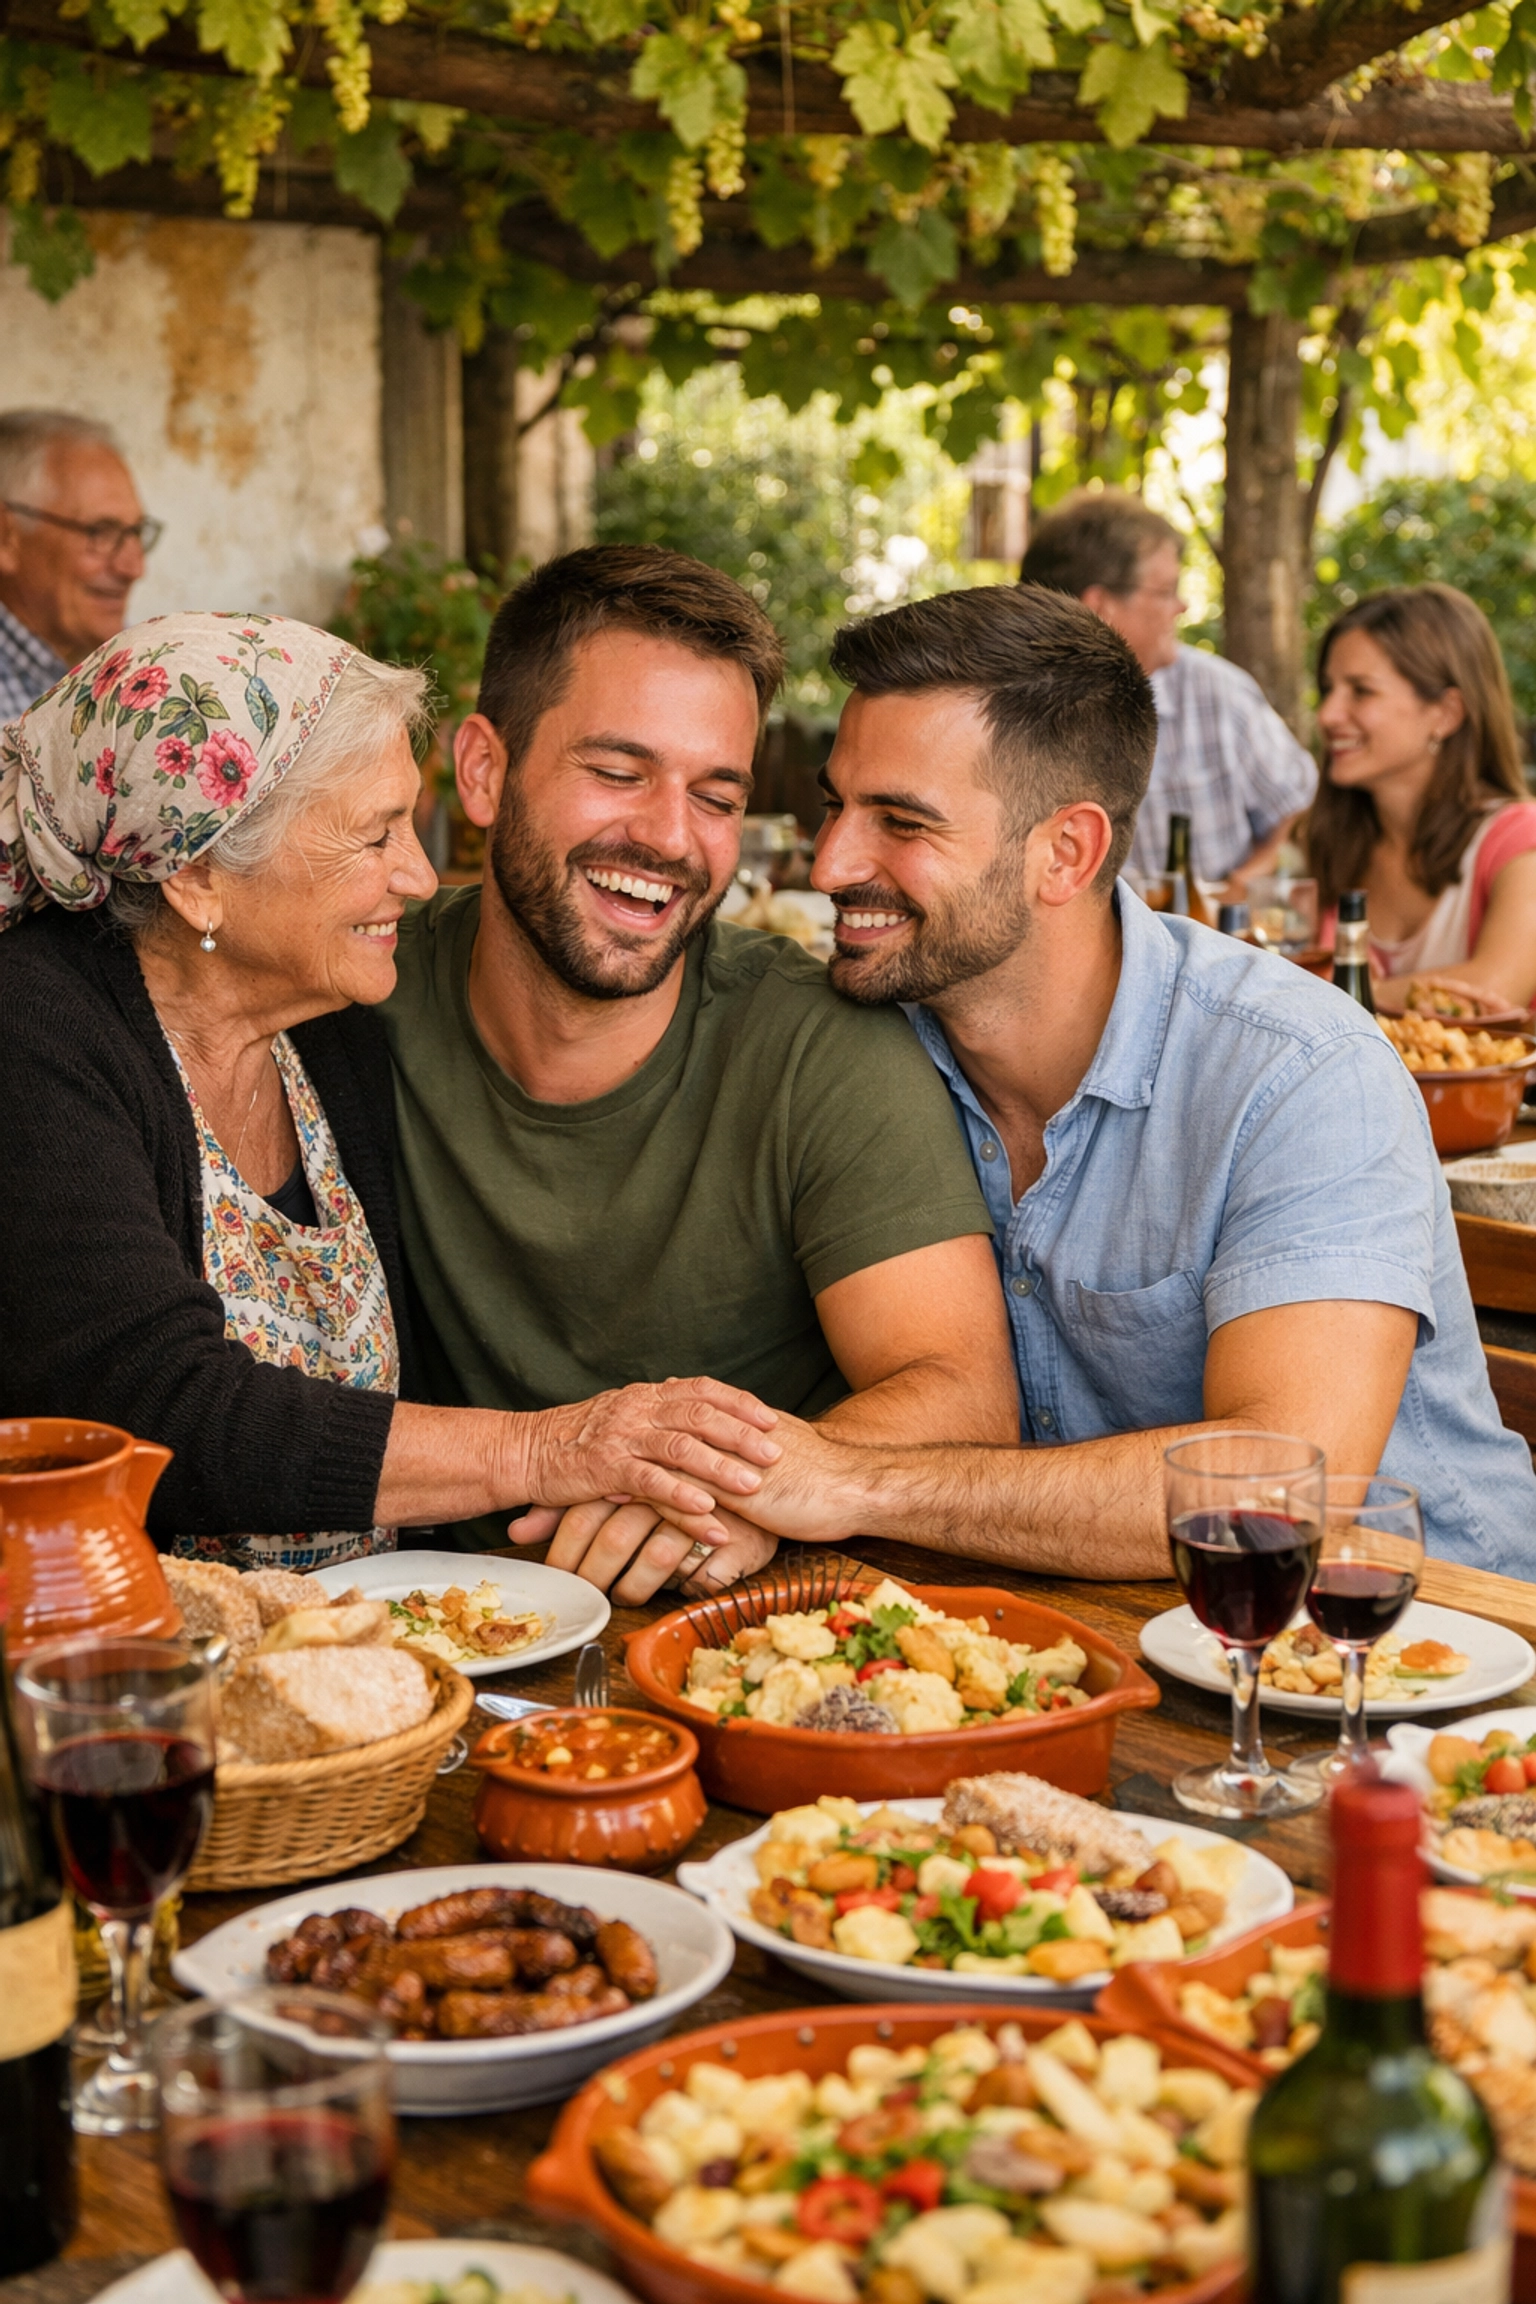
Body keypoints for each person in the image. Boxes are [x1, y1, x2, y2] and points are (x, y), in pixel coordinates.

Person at [692, 583, 1536, 1578]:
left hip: (1428, 1665)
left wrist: (847, 1481)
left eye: (902, 823)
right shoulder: (866, 1047)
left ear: (1068, 852)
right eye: (836, 805)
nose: (831, 863)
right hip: (1116, 1632)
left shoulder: (1301, 1074)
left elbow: (1278, 1492)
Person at [0, 612, 785, 1572]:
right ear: (200, 874)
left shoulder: (331, 1037)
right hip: (140, 1671)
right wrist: (544, 1450)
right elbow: (155, 1404)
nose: (418, 878)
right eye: (377, 837)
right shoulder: (36, 1031)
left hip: (375, 1659)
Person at [383, 545, 1019, 1601]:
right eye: (618, 772)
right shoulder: (361, 998)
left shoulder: (816, 1044)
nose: (670, 838)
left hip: (750, 1618)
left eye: (715, 796)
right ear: (484, 772)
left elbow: (963, 1396)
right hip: (453, 1616)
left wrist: (709, 1488)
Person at [1019, 489, 1315, 890]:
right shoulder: (1007, 716)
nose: (1182, 607)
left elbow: (1304, 816)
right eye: (1166, 590)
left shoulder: (1218, 696)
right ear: (1100, 606)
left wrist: (1233, 895)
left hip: (1208, 944)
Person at [1306, 583, 1536, 1011]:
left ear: (1445, 714)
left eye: (1361, 690)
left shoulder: (1520, 840)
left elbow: (1494, 990)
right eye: (1327, 688)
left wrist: (1330, 997)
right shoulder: (1338, 839)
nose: (1327, 715)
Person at [0, 410, 158, 717]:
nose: (134, 569)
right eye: (100, 531)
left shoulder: (139, 665)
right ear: (6, 537)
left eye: (135, 532)